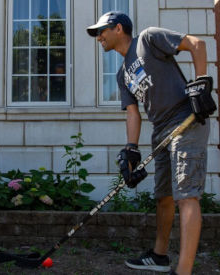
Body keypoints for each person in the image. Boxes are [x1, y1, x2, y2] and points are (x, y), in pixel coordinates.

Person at [87, 11, 214, 275]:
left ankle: (184, 271)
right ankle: (159, 255)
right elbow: (133, 113)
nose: (99, 37)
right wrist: (130, 149)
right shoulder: (123, 75)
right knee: (163, 198)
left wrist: (201, 84)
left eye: (102, 31)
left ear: (118, 28)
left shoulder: (148, 39)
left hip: (186, 121)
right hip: (161, 131)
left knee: (186, 195)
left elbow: (196, 44)